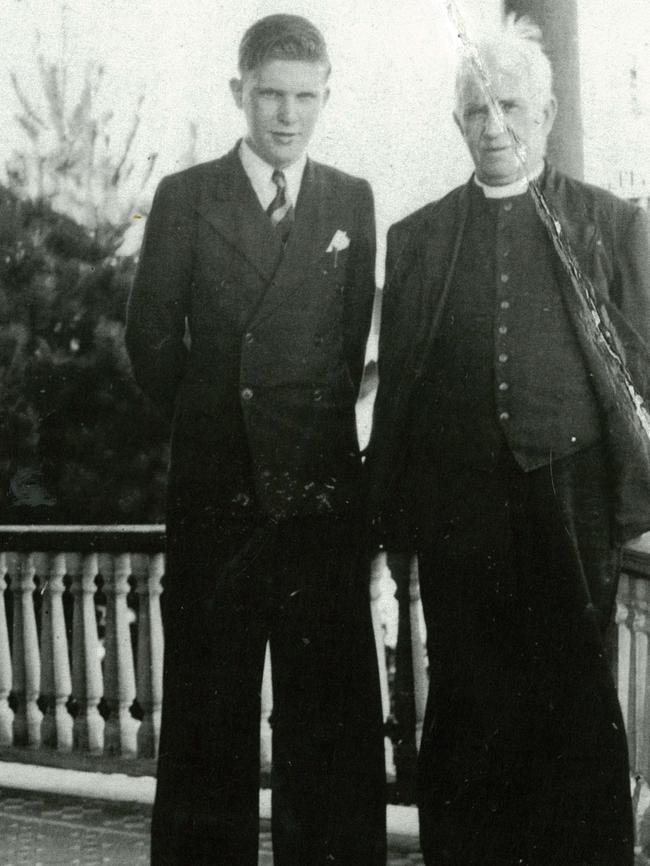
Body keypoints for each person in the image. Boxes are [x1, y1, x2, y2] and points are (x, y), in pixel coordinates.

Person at [365, 14, 650, 866]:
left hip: (569, 498)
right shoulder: (416, 242)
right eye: (478, 112)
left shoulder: (608, 225)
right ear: (459, 122)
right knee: (467, 705)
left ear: (547, 114)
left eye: (511, 109)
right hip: (459, 512)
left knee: (574, 699)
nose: (495, 128)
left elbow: (639, 369)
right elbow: (400, 395)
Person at [126, 14, 386, 866]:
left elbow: (347, 355)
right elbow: (152, 344)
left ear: (325, 97)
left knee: (330, 732)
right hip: (220, 507)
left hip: (318, 510)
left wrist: (301, 452)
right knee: (208, 732)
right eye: (270, 95)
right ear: (238, 92)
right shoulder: (187, 197)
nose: (286, 115)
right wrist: (220, 437)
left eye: (304, 97)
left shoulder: (351, 200)